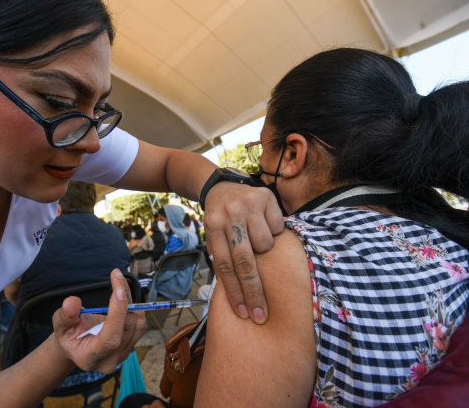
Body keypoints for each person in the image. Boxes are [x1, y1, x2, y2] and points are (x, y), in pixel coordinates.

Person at [0, 0, 283, 406]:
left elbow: (169, 164)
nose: (92, 143)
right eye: (58, 101)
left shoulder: (48, 135)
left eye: (98, 109)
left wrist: (221, 188)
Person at [192, 49, 469, 408]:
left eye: (260, 149)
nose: (258, 166)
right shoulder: (454, 231)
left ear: (293, 153)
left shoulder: (282, 257)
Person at [0, 181, 130, 403]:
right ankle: (92, 392)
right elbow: (125, 290)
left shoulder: (31, 239)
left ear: (56, 207)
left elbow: (11, 294)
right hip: (104, 360)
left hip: (39, 371)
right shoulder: (117, 236)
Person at [147, 206, 199, 302]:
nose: (160, 223)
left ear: (171, 220)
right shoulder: (188, 235)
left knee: (142, 283)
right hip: (186, 282)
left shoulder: (176, 237)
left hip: (171, 284)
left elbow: (163, 265)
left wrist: (158, 264)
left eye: (162, 220)